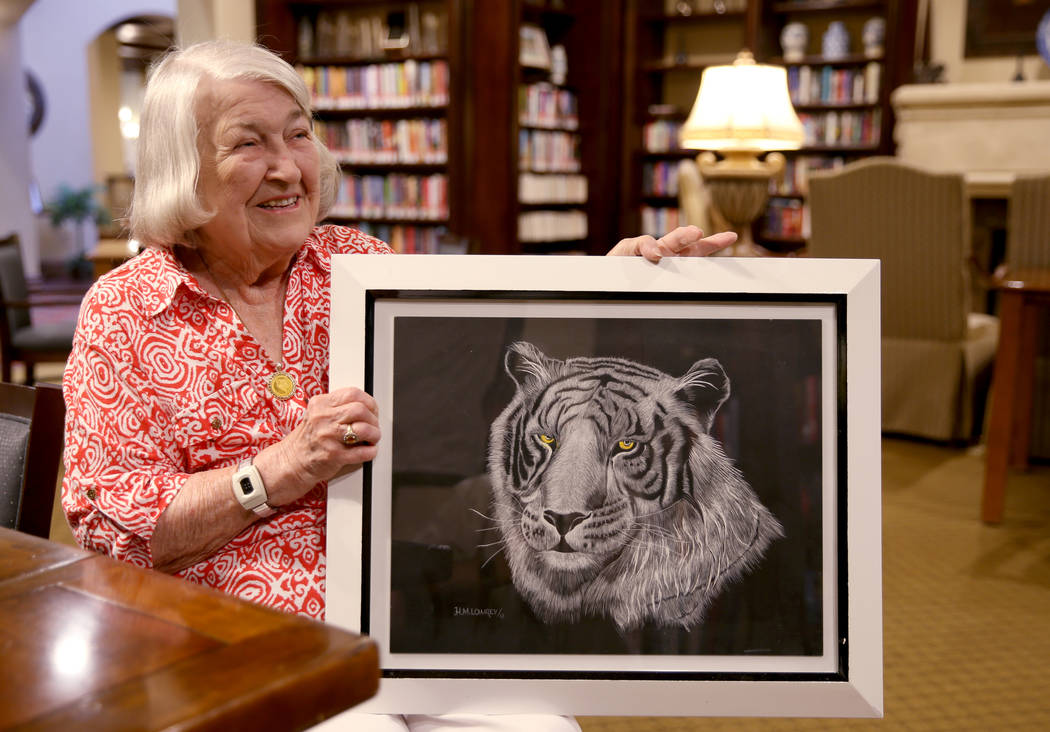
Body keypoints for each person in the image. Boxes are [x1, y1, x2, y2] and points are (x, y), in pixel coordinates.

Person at [61, 40, 736, 731]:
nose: (289, 165)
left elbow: (498, 376)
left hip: (414, 613)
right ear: (184, 170)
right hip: (237, 637)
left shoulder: (358, 263)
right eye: (250, 143)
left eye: (298, 134)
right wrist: (274, 472)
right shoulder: (125, 312)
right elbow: (110, 530)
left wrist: (613, 289)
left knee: (544, 728)